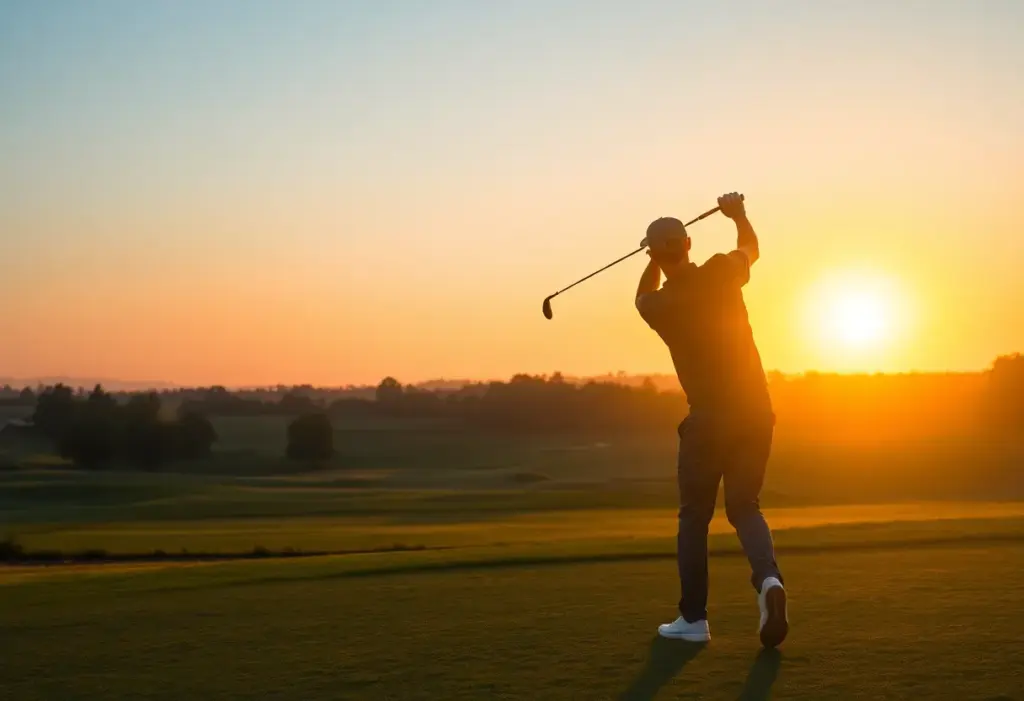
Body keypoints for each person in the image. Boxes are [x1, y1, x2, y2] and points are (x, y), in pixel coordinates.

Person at [635, 192, 788, 648]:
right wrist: (737, 214)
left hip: (707, 421)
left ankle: (694, 619)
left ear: (656, 254)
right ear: (687, 245)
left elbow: (642, 293)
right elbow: (751, 248)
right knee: (745, 507)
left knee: (694, 517)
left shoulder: (659, 307)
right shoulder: (723, 270)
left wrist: (650, 259)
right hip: (756, 412)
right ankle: (768, 582)